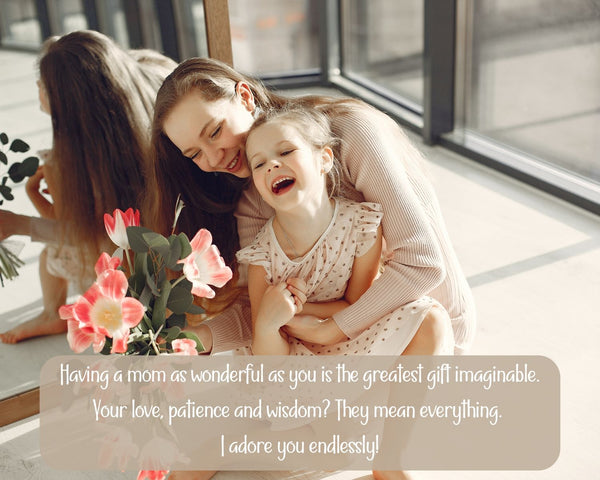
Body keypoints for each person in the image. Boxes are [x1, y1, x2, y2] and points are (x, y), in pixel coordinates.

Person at [149, 58, 475, 480]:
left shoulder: (351, 134)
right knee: (324, 443)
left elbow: (422, 263)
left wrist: (331, 328)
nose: (213, 157)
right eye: (194, 153)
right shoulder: (253, 199)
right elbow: (263, 309)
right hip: (335, 348)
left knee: (341, 440)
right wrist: (197, 340)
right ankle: (218, 452)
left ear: (244, 97)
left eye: (214, 131)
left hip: (419, 341)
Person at [0, 30, 176, 344]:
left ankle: (56, 312)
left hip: (153, 262)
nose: (38, 91)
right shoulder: (141, 85)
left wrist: (21, 224)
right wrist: (36, 198)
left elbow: (92, 236)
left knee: (54, 255)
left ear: (68, 102)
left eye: (43, 86)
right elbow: (81, 223)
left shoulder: (88, 163)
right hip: (166, 239)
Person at [237, 106, 453, 357]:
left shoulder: (361, 225)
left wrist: (298, 313)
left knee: (431, 319)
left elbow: (357, 306)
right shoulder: (262, 259)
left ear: (324, 159)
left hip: (348, 338)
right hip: (295, 361)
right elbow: (267, 360)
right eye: (259, 164)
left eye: (286, 151)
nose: (272, 165)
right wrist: (267, 323)